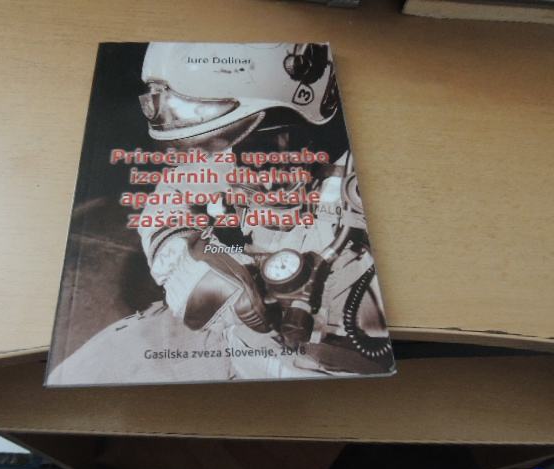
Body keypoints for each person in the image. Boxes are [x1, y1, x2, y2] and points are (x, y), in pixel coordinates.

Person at [47, 43, 393, 385]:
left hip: (318, 373)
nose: (228, 157)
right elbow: (169, 201)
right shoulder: (233, 146)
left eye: (258, 142)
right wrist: (192, 272)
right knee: (75, 376)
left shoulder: (368, 185)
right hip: (221, 340)